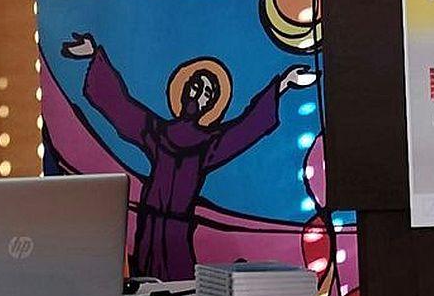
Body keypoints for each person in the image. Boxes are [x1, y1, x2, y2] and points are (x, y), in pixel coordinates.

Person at [61, 32, 314, 280]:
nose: (198, 94)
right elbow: (120, 105)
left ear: (211, 105)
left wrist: (282, 84)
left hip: (178, 229)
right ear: (183, 90)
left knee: (179, 283)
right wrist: (93, 54)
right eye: (195, 86)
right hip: (149, 225)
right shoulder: (156, 132)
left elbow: (245, 128)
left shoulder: (208, 145)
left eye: (207, 93)